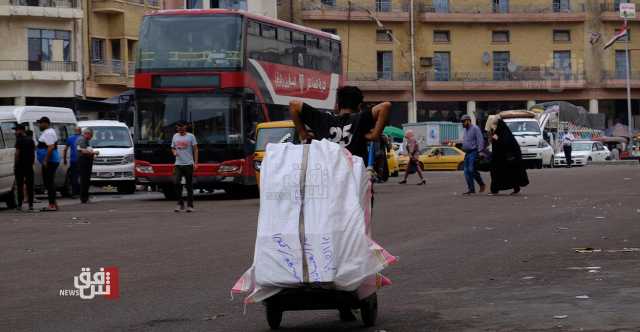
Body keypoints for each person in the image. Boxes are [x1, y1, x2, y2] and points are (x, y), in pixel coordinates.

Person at [289, 86, 390, 164]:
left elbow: (294, 105)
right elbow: (385, 106)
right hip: (355, 179)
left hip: (327, 178)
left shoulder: (322, 119)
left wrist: (303, 133)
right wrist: (374, 135)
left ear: (337, 106)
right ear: (359, 107)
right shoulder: (360, 119)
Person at [485, 115, 529, 195]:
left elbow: (504, 142)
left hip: (506, 157)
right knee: (505, 173)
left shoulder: (503, 132)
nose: (493, 127)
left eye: (494, 125)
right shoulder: (500, 130)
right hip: (502, 157)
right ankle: (497, 189)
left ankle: (497, 190)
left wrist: (495, 137)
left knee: (508, 173)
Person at [171, 121, 198, 213]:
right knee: (176, 182)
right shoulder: (175, 136)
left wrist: (196, 163)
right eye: (177, 127)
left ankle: (190, 205)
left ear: (185, 127)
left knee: (189, 185)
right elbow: (173, 147)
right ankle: (180, 203)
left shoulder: (191, 136)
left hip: (189, 163)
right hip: (178, 164)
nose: (179, 129)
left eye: (180, 127)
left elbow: (195, 150)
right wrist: (174, 152)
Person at [36, 117, 60, 211]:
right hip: (50, 161)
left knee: (49, 183)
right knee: (48, 182)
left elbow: (50, 147)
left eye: (40, 123)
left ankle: (52, 205)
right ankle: (53, 203)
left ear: (46, 123)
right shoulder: (48, 132)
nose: (39, 125)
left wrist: (45, 160)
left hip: (50, 161)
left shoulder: (49, 133)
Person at [461, 114, 486, 195]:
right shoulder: (465, 130)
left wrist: (480, 151)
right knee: (466, 171)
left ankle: (481, 184)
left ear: (468, 121)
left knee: (471, 170)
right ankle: (471, 189)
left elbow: (480, 139)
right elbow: (465, 141)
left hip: (474, 151)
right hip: (467, 153)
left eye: (463, 121)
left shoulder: (475, 128)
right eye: (462, 122)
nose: (462, 123)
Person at [14, 124, 35, 211]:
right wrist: (32, 164)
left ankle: (19, 205)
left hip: (20, 166)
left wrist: (15, 164)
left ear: (22, 130)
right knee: (30, 185)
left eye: (17, 130)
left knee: (20, 185)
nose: (15, 132)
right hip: (29, 166)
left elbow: (17, 153)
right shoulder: (31, 140)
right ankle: (30, 205)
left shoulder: (19, 140)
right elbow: (33, 154)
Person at [76, 128, 98, 204]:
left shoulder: (85, 140)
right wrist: (93, 153)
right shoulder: (82, 140)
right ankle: (84, 198)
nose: (91, 137)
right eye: (91, 135)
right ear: (87, 134)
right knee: (84, 180)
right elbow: (81, 150)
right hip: (83, 162)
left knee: (86, 180)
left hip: (86, 161)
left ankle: (85, 197)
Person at [63, 127, 82, 198]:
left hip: (73, 160)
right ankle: (80, 192)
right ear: (80, 131)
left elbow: (65, 149)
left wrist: (65, 159)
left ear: (74, 131)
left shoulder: (70, 138)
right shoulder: (83, 138)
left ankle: (74, 193)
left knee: (74, 176)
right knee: (81, 176)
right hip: (81, 160)